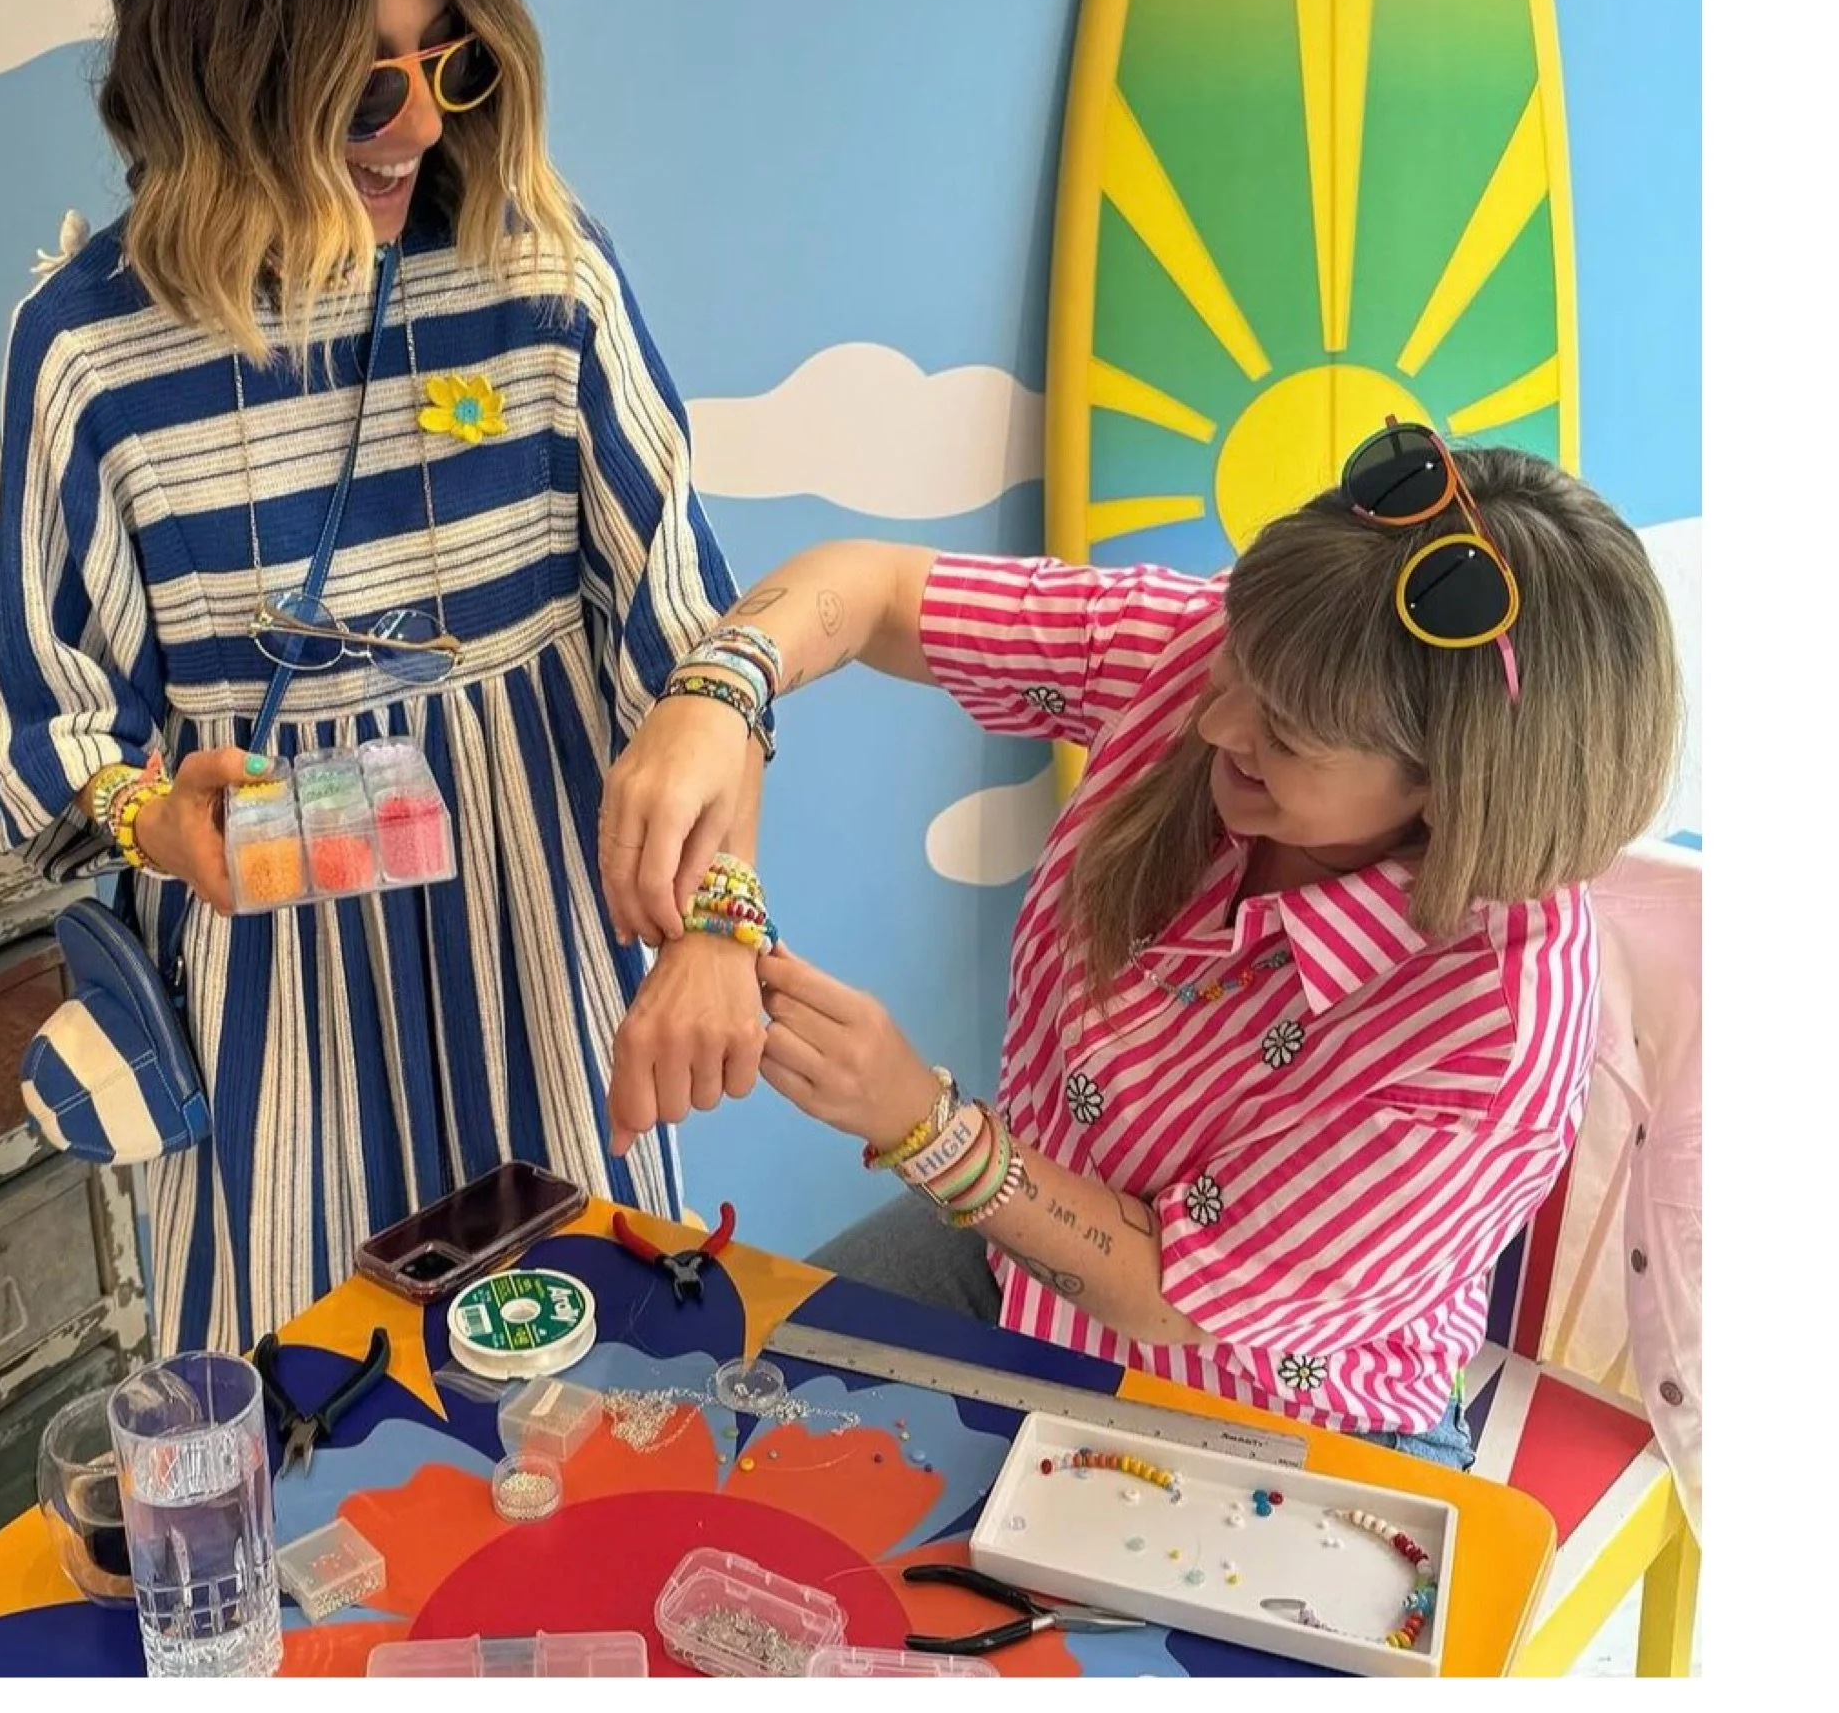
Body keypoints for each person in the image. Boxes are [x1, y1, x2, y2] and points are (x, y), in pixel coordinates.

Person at [0, 0, 765, 1351]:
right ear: (216, 76)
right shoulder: (90, 352)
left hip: (546, 958)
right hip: (280, 1006)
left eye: (449, 64)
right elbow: (51, 720)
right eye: (360, 92)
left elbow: (698, 652)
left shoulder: (540, 274)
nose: (419, 126)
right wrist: (158, 818)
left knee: (596, 1370)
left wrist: (717, 925)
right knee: (303, 1388)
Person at [600, 432, 1679, 1465]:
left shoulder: (1496, 1033)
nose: (1215, 723)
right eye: (1237, 663)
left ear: (1448, 794)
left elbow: (1174, 1295)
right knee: (696, 1414)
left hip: (1272, 1408)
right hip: (1017, 1243)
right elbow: (875, 590)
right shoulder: (1219, 659)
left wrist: (922, 1125)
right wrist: (720, 691)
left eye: (1284, 736)